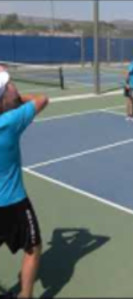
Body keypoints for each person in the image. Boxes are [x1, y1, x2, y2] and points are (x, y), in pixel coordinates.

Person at [0, 69, 49, 299]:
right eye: (9, 86)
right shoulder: (10, 122)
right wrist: (19, 99)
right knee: (33, 247)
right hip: (13, 202)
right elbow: (43, 99)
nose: (13, 87)